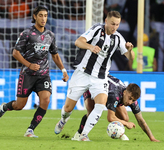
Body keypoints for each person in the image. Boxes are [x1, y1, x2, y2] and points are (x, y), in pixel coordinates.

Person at [54, 11, 134, 141]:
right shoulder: (96, 30)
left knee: (100, 105)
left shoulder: (118, 38)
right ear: (106, 21)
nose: (114, 27)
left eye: (117, 25)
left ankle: (83, 135)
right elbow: (78, 42)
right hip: (83, 73)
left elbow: (130, 58)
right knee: (68, 108)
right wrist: (90, 47)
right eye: (112, 24)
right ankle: (63, 120)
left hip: (100, 78)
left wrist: (130, 50)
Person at [0, 5, 69, 138]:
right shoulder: (26, 34)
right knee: (19, 105)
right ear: (35, 16)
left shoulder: (50, 35)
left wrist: (63, 70)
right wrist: (29, 65)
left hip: (43, 74)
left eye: (45, 15)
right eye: (41, 15)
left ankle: (30, 130)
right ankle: (4, 108)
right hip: (27, 74)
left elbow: (55, 55)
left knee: (45, 100)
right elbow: (15, 53)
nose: (43, 18)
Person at [71, 75, 160, 142]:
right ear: (125, 92)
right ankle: (79, 134)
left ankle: (120, 133)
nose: (130, 102)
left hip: (107, 91)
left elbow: (141, 120)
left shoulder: (130, 99)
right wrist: (126, 124)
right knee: (91, 113)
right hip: (92, 86)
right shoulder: (115, 94)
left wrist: (152, 138)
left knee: (125, 117)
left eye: (133, 100)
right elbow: (110, 118)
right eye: (129, 98)